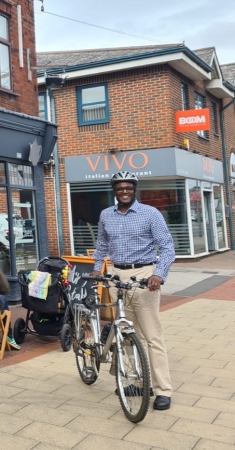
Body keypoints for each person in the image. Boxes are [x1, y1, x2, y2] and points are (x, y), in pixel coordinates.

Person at [92, 171, 174, 411]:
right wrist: (98, 269)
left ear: (134, 190)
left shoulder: (150, 213)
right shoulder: (106, 214)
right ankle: (137, 381)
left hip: (145, 277)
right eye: (120, 188)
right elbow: (102, 245)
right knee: (126, 334)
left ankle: (163, 390)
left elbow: (167, 246)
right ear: (114, 191)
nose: (124, 192)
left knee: (152, 336)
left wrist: (159, 274)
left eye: (128, 188)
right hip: (116, 277)